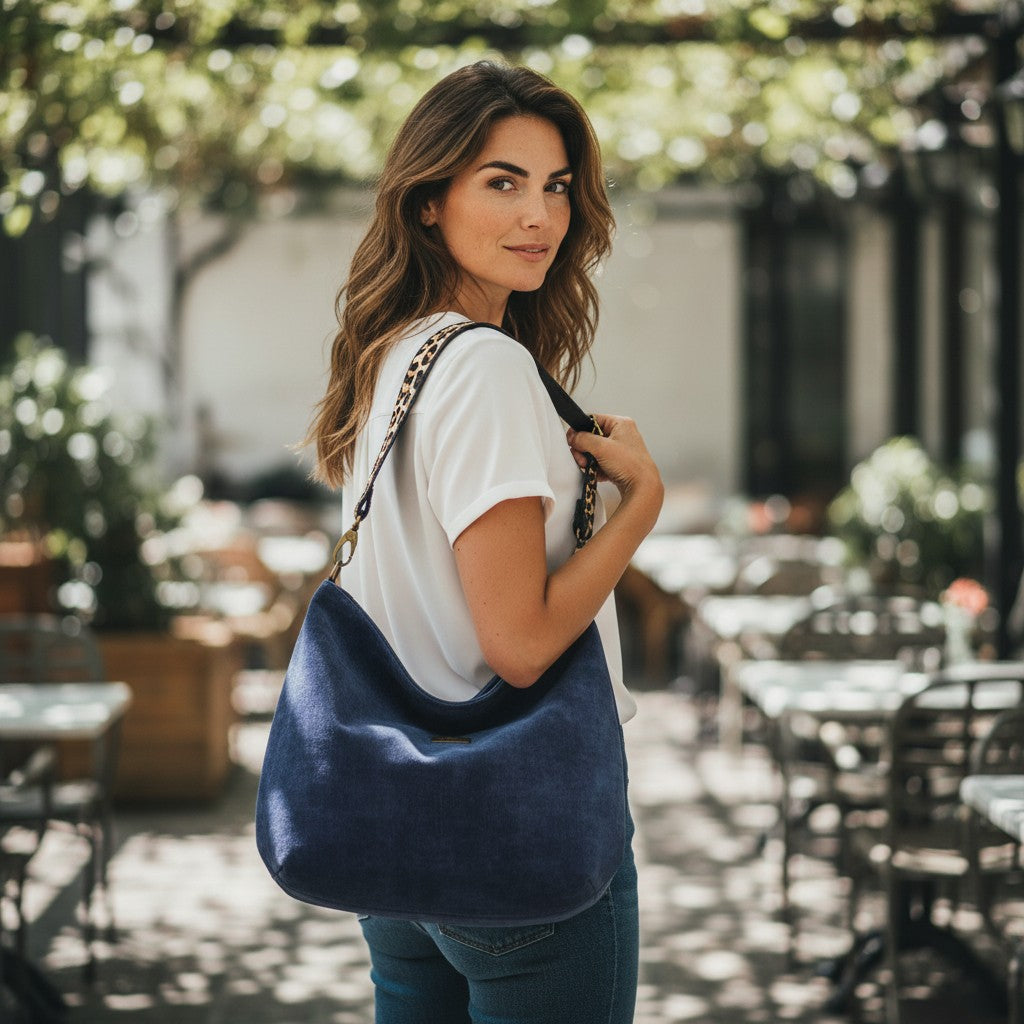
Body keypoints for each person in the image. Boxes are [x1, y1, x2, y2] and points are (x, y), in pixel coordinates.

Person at [306, 59, 663, 1024]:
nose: (538, 217)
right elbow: (520, 642)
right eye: (500, 183)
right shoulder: (489, 369)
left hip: (402, 833)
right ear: (428, 201)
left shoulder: (394, 358)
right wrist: (638, 507)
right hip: (518, 832)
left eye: (555, 187)